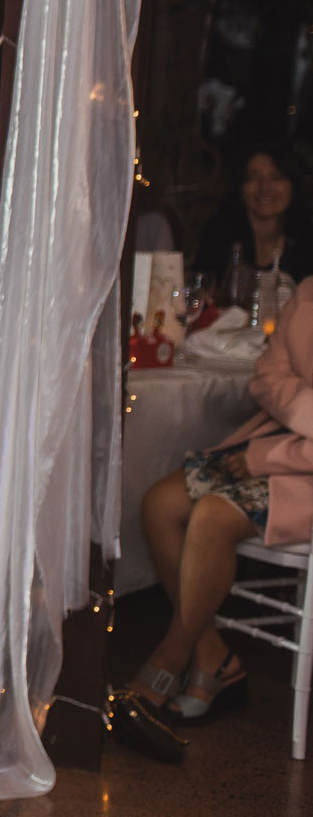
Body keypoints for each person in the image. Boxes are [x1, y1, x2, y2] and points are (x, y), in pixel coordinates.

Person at [117, 278, 313, 758]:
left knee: (211, 515)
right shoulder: (308, 292)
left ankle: (171, 656)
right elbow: (267, 377)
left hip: (296, 467)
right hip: (283, 445)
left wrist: (273, 453)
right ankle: (212, 656)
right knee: (159, 504)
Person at [192, 141, 313, 289]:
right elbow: (200, 289)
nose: (264, 188)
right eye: (253, 178)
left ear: (293, 186)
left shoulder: (305, 238)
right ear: (241, 187)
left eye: (276, 177)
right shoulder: (219, 233)